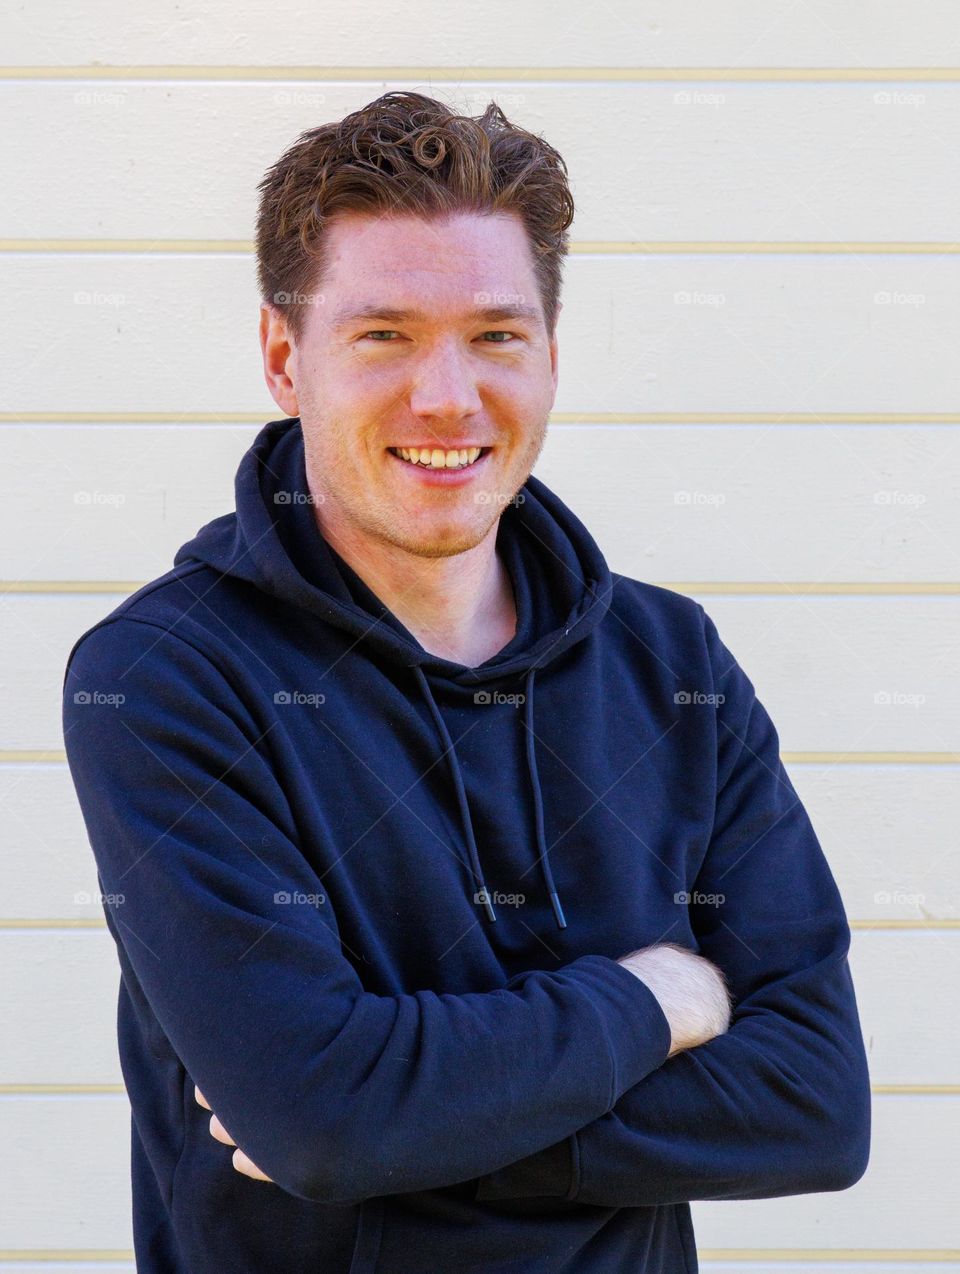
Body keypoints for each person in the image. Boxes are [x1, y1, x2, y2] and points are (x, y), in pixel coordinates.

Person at [61, 90, 870, 1273]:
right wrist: (649, 1005)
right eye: (383, 333)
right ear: (286, 358)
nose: (449, 396)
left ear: (549, 355)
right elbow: (322, 1115)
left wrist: (404, 1113)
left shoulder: (672, 665)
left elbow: (813, 1102)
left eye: (497, 333)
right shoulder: (167, 677)